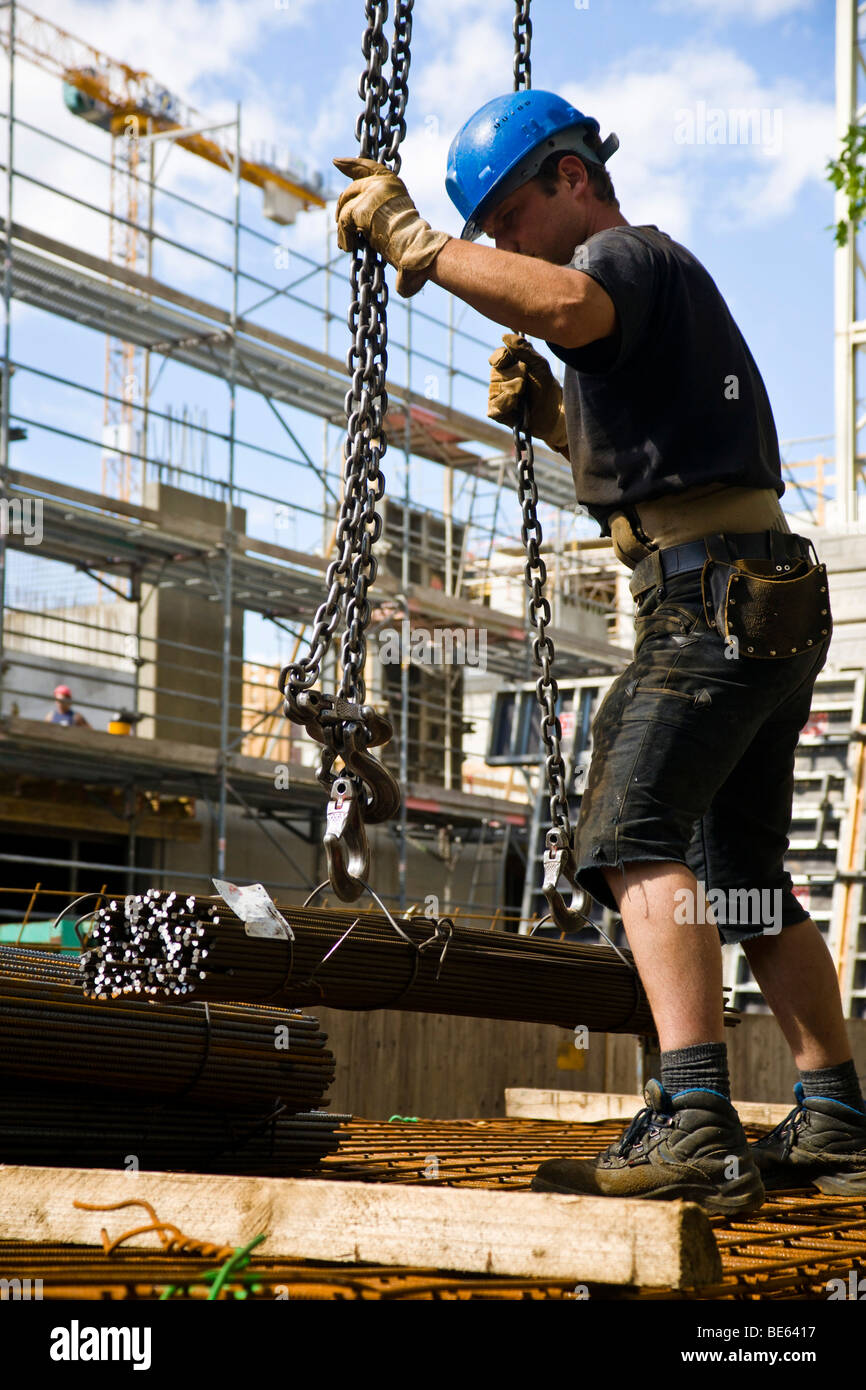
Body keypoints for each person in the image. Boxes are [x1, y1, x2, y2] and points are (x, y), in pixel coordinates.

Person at [332, 89, 866, 1214]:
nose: (498, 248)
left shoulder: (617, 255)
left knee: (629, 837)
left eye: (503, 220)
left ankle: (692, 1114)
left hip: (706, 607)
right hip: (758, 597)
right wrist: (554, 426)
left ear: (569, 178)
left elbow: (566, 301)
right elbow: (671, 469)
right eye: (477, 233)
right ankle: (831, 1110)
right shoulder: (654, 293)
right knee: (747, 886)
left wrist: (418, 247)